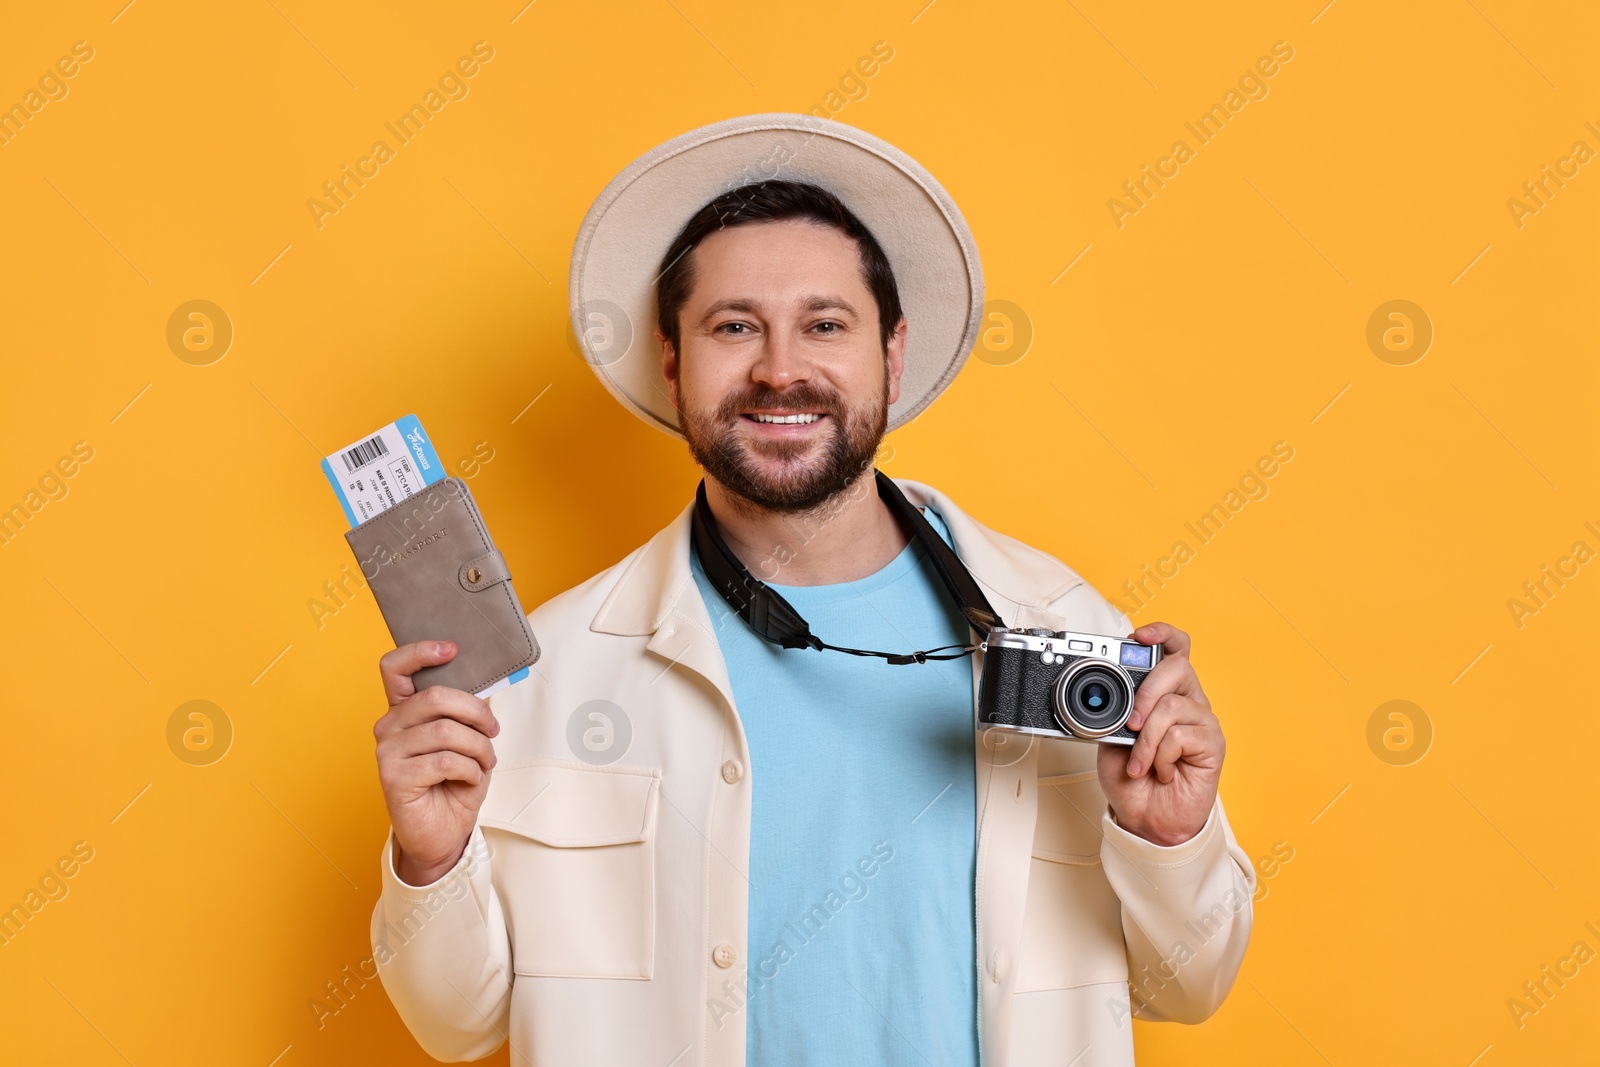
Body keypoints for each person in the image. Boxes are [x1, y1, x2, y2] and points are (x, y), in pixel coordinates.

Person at [367, 114, 1253, 1066]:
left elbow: (1188, 989)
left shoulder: (1067, 633)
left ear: (893, 354)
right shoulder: (546, 673)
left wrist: (1171, 836)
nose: (779, 368)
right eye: (733, 326)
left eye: (825, 325)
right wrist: (432, 860)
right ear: (671, 362)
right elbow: (458, 1027)